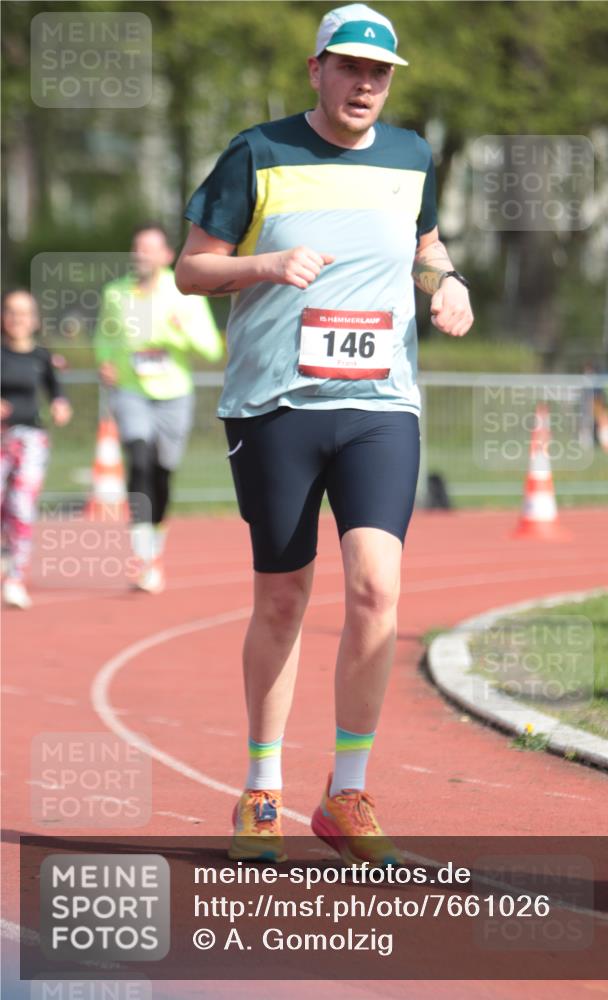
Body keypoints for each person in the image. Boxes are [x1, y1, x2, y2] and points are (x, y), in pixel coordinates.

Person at [176, 3, 474, 864]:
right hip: (275, 408)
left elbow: (425, 244)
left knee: (377, 589)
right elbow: (192, 267)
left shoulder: (411, 155)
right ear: (316, 70)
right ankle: (261, 788)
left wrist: (446, 282)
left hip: (381, 405)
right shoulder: (257, 152)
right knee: (282, 597)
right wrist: (264, 265)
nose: (364, 84)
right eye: (349, 67)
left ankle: (347, 792)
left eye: (379, 72)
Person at [94, 223, 222, 593]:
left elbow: (212, 348)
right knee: (138, 460)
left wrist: (180, 332)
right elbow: (104, 336)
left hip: (174, 395)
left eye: (149, 249)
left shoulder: (186, 293)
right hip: (130, 391)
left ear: (166, 255)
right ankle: (141, 554)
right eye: (137, 248)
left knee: (162, 472)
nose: (141, 255)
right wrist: (105, 361)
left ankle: (155, 547)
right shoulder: (116, 293)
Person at [1, 290, 72, 609]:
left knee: (21, 505)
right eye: (11, 312)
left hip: (30, 440)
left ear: (34, 319)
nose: (17, 319)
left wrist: (60, 405)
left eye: (24, 313)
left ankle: (16, 577)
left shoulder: (42, 356)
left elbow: (56, 391)